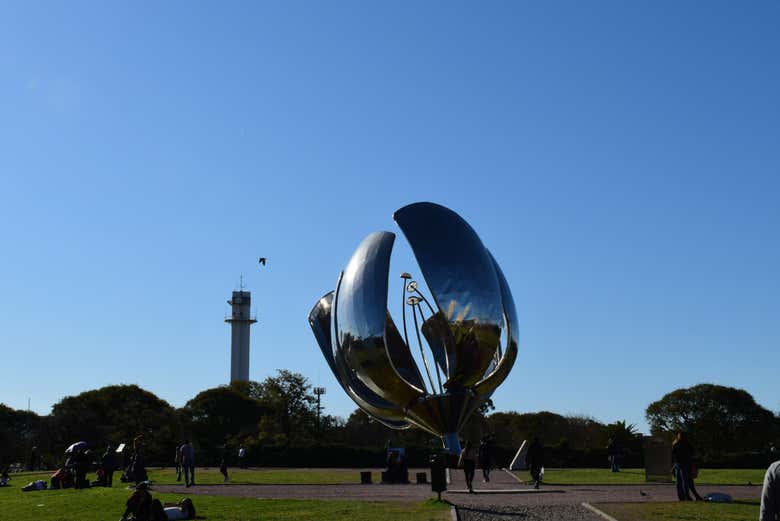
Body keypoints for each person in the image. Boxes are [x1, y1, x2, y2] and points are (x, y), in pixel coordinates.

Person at [672, 431, 696, 501]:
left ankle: (681, 497)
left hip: (677, 464)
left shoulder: (675, 443)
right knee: (684, 481)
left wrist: (673, 465)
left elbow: (673, 454)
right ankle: (687, 496)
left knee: (678, 482)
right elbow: (692, 452)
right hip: (684, 464)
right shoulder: (687, 444)